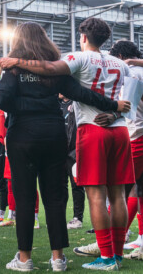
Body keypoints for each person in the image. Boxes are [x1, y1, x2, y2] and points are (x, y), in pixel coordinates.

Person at [0, 22, 129, 272]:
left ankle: (24, 258)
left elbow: (1, 100)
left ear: (18, 41)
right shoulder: (56, 71)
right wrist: (113, 105)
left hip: (23, 136)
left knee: (25, 197)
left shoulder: (14, 68)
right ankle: (58, 258)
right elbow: (82, 94)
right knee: (55, 197)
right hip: (54, 135)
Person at [0, 18, 143, 271]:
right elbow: (136, 91)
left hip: (68, 131)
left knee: (76, 195)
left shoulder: (70, 61)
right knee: (74, 196)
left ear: (83, 37)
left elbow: (10, 95)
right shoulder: (117, 63)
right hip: (105, 130)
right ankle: (65, 256)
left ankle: (28, 258)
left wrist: (14, 65)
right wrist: (115, 109)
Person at [107, 40, 143, 262]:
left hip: (140, 133)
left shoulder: (131, 72)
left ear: (120, 56)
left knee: (121, 189)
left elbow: (127, 107)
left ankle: (111, 243)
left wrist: (110, 116)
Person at [60, 94, 85, 230]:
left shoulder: (77, 104)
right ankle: (60, 215)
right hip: (58, 151)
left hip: (73, 151)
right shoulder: (56, 103)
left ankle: (77, 218)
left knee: (76, 185)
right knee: (60, 185)